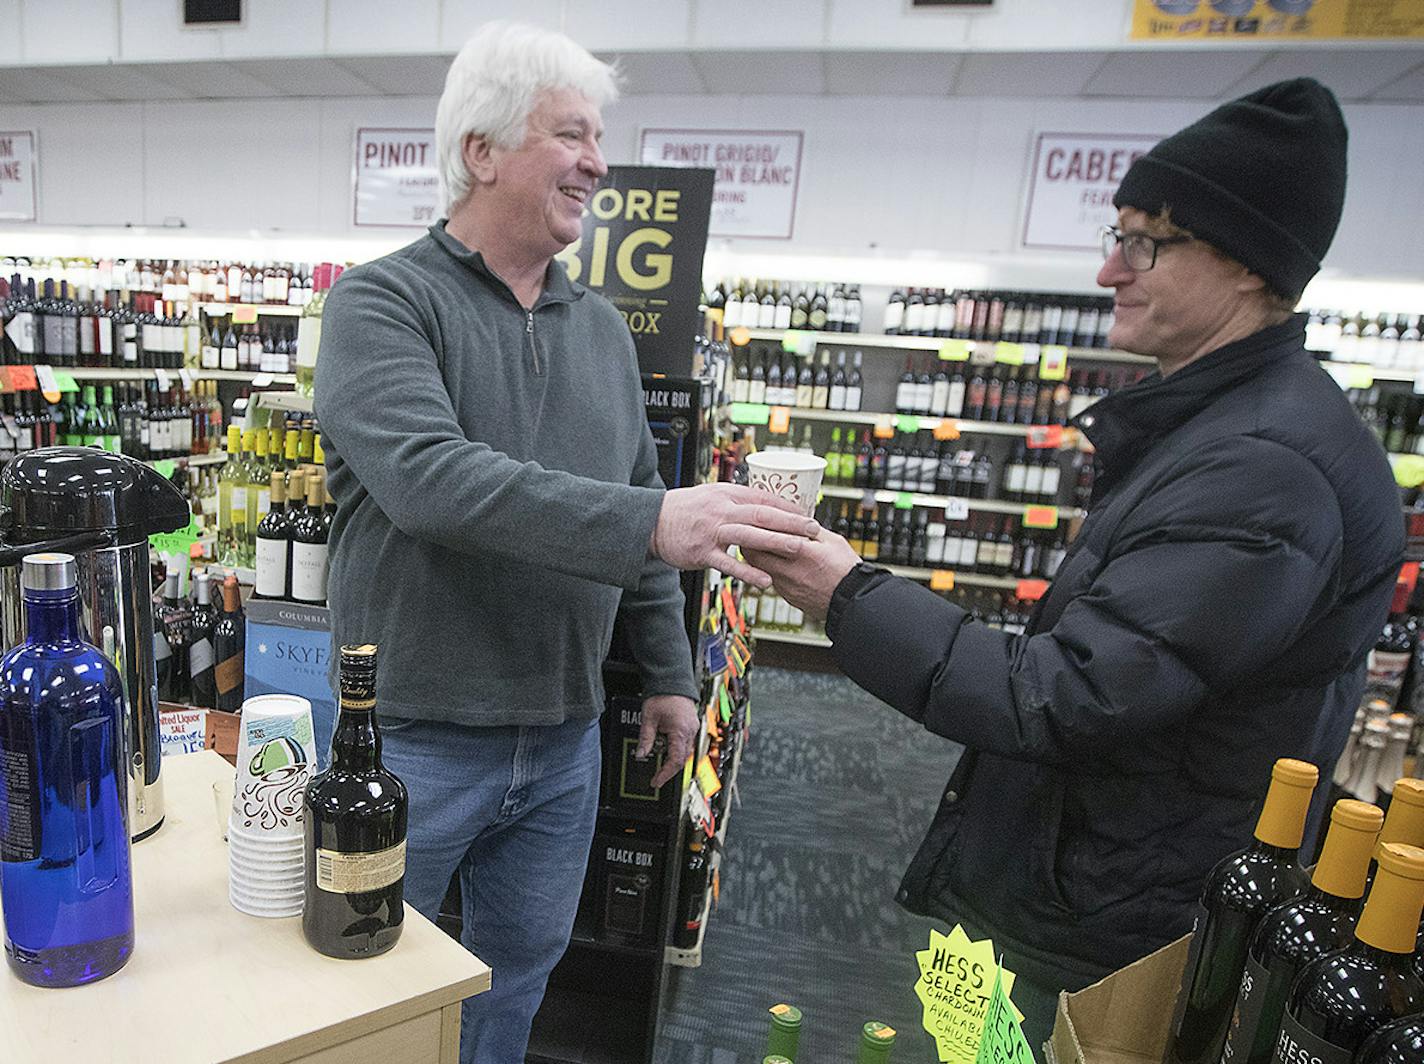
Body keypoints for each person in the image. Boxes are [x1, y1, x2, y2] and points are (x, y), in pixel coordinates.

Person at [749, 78, 1403, 1047]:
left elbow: (1063, 695)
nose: (1107, 269)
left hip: (1119, 915)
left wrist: (845, 593)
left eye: (1143, 240)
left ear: (1247, 267)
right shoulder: (1231, 427)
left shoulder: (1264, 468)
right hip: (1102, 875)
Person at [314, 22, 815, 1064]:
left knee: (516, 975)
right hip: (411, 737)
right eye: (572, 134)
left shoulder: (598, 330)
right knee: (364, 986)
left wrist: (671, 673)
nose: (597, 160)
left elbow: (627, 499)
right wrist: (654, 518)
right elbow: (431, 483)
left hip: (562, 740)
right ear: (481, 151)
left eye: (600, 137)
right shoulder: (382, 304)